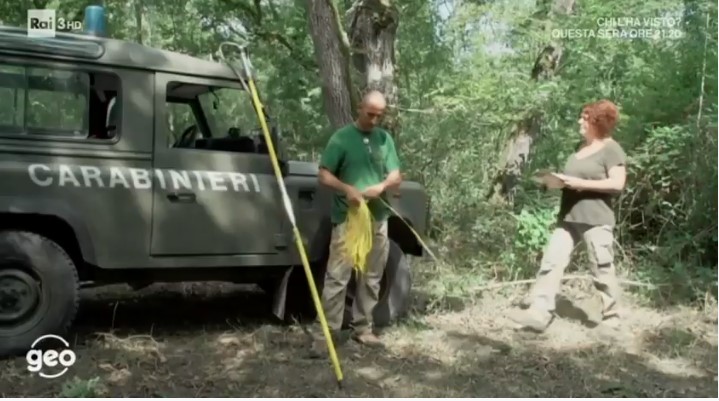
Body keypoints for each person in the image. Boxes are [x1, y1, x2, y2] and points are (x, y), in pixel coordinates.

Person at [508, 99, 628, 333]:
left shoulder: (611, 149)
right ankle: (538, 313)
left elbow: (617, 183)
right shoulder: (579, 149)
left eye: (584, 118)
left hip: (595, 218)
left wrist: (578, 182)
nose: (579, 122)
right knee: (551, 262)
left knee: (601, 268)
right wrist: (555, 182)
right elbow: (571, 179)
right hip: (568, 217)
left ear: (597, 122)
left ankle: (612, 318)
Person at [311, 90, 402, 351]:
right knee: (337, 277)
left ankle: (363, 328)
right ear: (359, 108)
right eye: (369, 114)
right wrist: (347, 189)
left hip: (377, 217)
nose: (373, 120)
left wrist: (382, 185)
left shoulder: (385, 139)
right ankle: (325, 335)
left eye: (379, 116)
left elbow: (396, 175)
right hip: (348, 219)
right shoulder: (342, 138)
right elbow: (324, 175)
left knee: (372, 275)